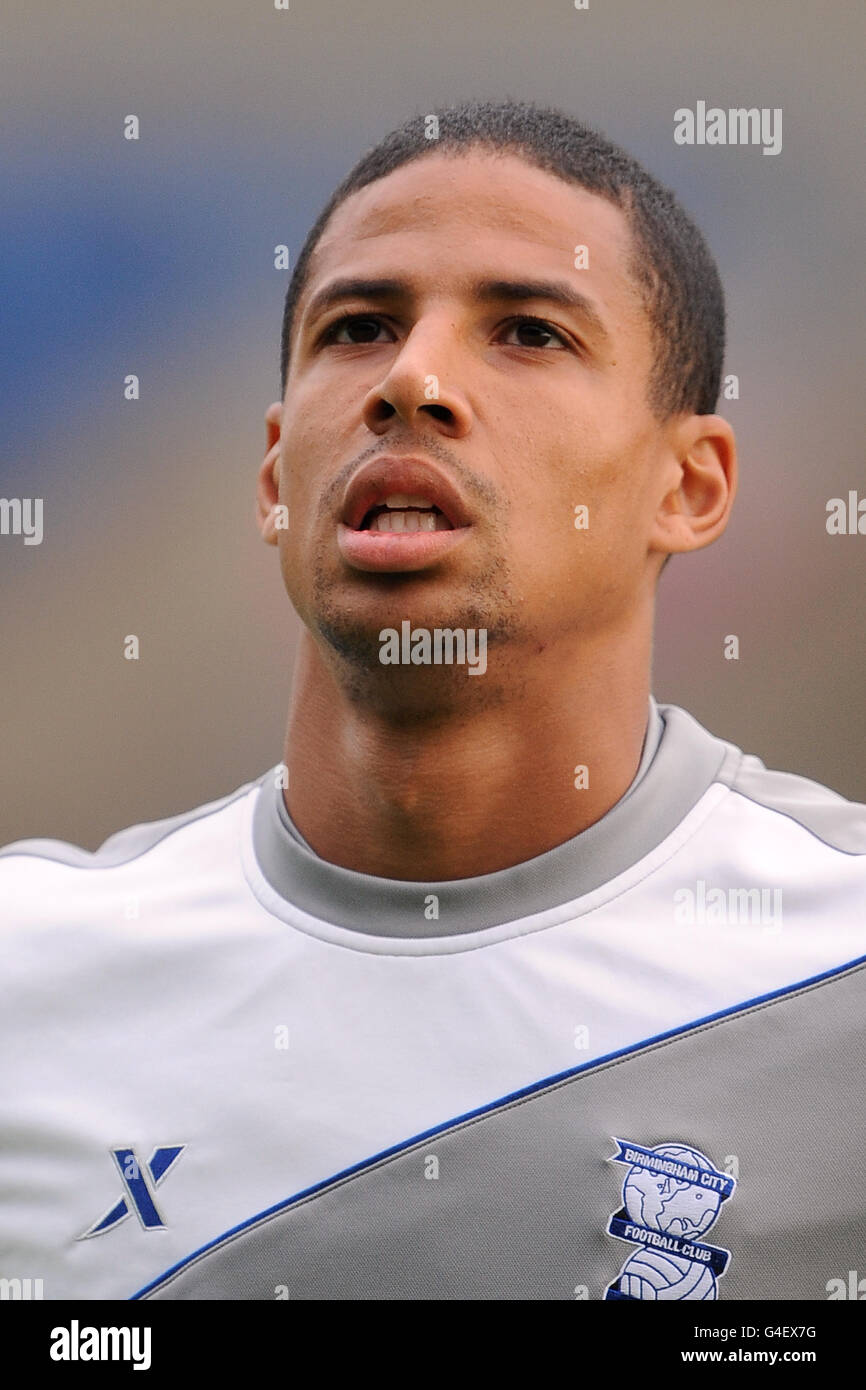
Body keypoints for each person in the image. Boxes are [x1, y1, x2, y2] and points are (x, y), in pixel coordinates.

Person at [1, 100, 863, 1303]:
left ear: (689, 484)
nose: (411, 377)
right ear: (270, 474)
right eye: (357, 327)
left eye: (525, 331)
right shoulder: (27, 981)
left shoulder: (837, 969)